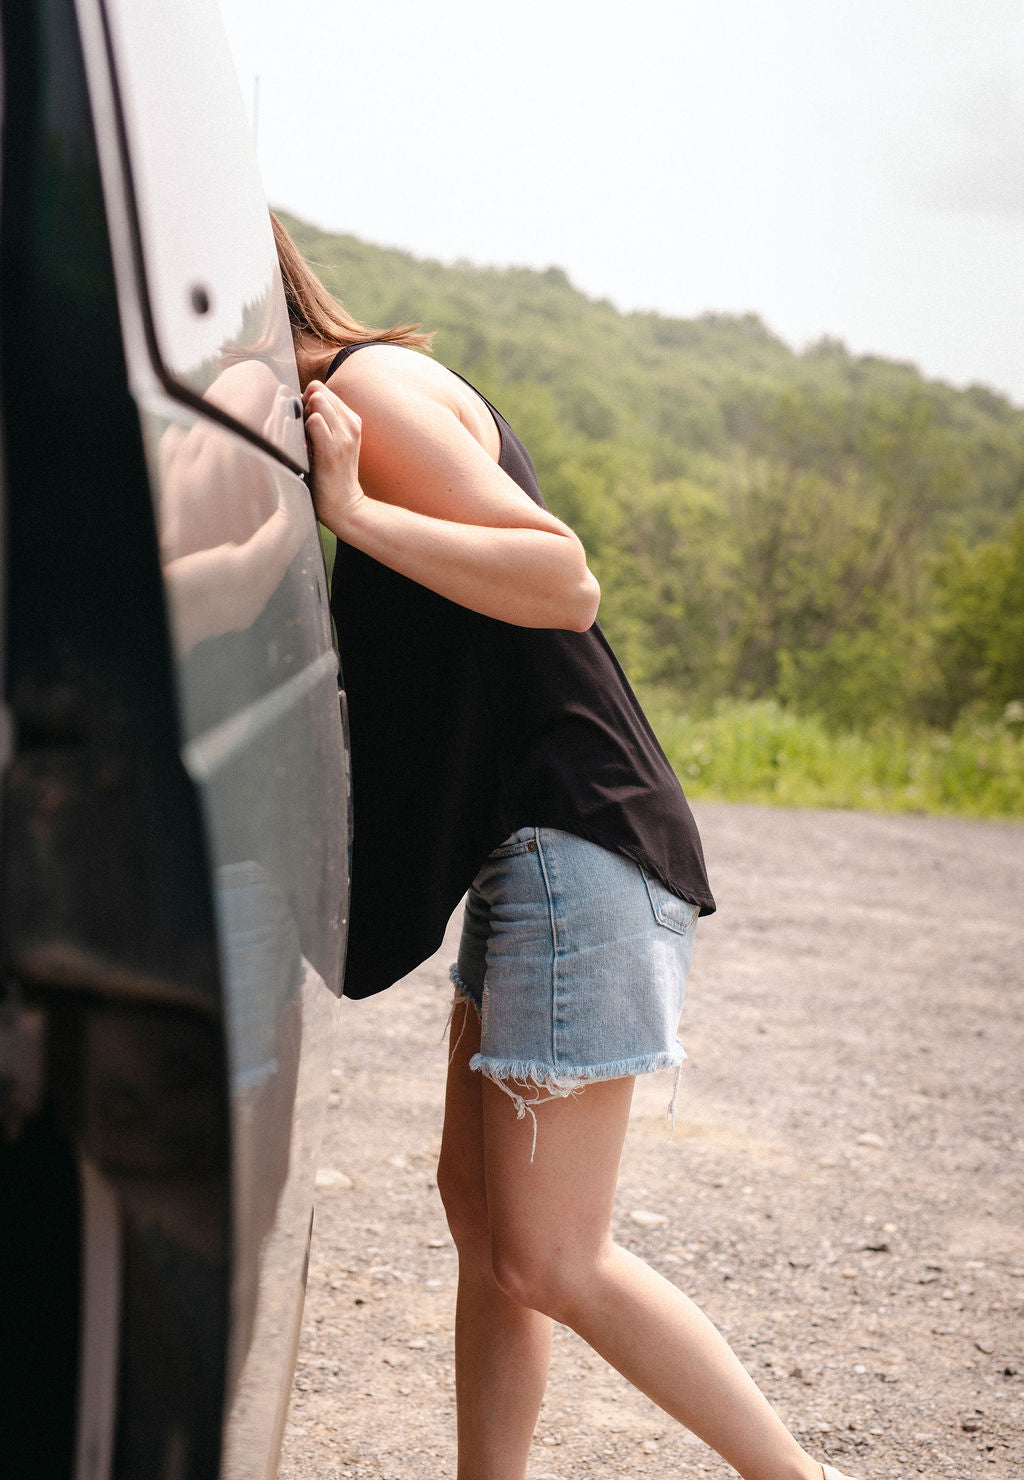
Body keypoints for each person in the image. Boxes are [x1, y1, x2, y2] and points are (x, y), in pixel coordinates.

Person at [272, 214, 863, 1480]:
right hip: (532, 849)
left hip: (576, 841)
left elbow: (560, 577)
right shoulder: (345, 411)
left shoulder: (366, 389)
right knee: (485, 1223)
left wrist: (357, 514)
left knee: (550, 1252)